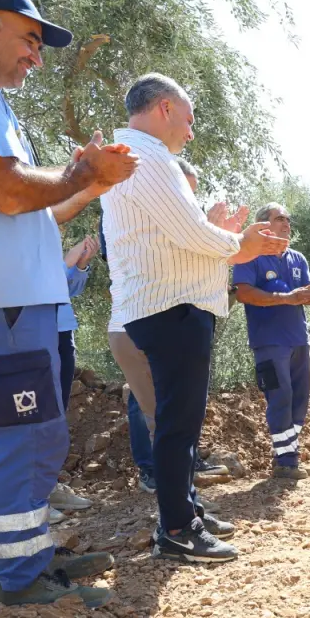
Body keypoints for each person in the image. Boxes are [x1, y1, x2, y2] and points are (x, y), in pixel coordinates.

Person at [0, 0, 139, 608]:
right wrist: (80, 171)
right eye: (30, 39)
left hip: (6, 297)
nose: (36, 57)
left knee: (37, 431)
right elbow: (10, 191)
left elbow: (24, 211)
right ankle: (20, 581)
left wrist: (88, 185)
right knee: (19, 434)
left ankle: (32, 558)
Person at [102, 72, 287, 563]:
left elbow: (181, 235)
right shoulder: (148, 161)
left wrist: (217, 235)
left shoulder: (139, 161)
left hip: (169, 305)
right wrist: (238, 243)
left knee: (179, 421)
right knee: (177, 425)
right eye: (188, 118)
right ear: (163, 108)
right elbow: (189, 233)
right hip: (171, 309)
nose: (190, 129)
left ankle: (185, 513)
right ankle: (179, 529)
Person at [109, 157, 228, 494]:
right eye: (183, 192)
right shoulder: (144, 219)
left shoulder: (168, 221)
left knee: (170, 417)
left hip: (156, 322)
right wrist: (214, 233)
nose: (186, 201)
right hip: (140, 323)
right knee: (160, 419)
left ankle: (182, 497)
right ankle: (173, 502)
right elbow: (172, 260)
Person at [232, 202, 310, 479]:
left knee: (299, 398)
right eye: (279, 219)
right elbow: (243, 293)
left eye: (288, 220)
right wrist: (287, 298)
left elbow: (303, 292)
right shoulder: (250, 256)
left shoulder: (298, 258)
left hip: (298, 339)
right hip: (269, 341)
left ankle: (289, 454)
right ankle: (285, 461)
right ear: (263, 226)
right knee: (280, 397)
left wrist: (308, 296)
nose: (286, 224)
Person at [47, 234, 101, 518]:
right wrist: (65, 263)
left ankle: (48, 486)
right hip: (33, 333)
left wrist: (79, 266)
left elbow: (68, 291)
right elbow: (32, 285)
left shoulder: (46, 231)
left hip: (62, 333)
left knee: (56, 414)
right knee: (36, 415)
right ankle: (33, 495)